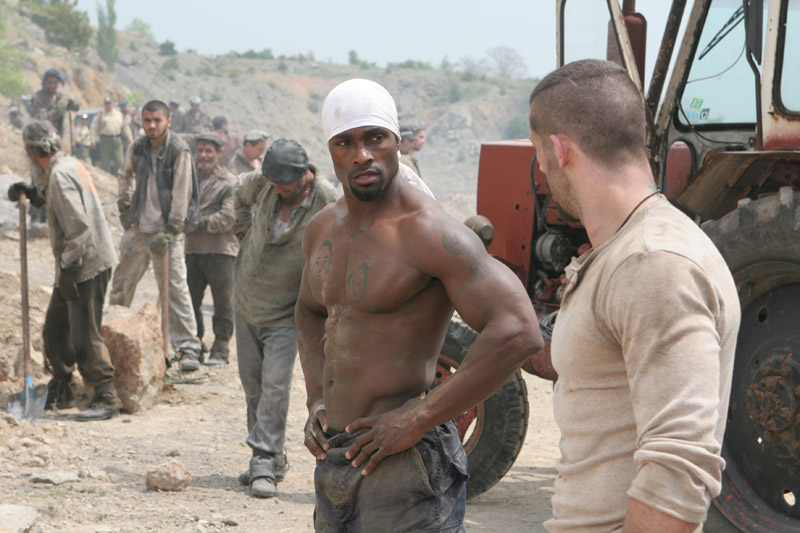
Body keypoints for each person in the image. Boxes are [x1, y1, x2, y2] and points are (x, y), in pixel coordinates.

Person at [297, 78, 542, 531]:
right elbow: (310, 310)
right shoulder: (323, 228)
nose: (362, 154)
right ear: (330, 149)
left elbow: (519, 329)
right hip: (336, 458)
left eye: (375, 138)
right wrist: (315, 398)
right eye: (345, 142)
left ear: (395, 143)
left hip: (407, 463)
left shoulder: (429, 232)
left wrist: (417, 418)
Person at [526, 60, 740, 532]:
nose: (541, 168)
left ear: (559, 150)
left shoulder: (653, 262)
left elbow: (678, 468)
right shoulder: (627, 253)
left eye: (538, 154)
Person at [233, 139, 338, 498]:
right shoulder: (263, 182)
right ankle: (269, 457)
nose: (279, 190)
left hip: (285, 312)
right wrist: (243, 231)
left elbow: (347, 233)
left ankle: (264, 459)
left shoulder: (326, 198)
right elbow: (237, 194)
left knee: (275, 384)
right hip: (246, 300)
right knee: (253, 385)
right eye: (275, 184)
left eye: (286, 185)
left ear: (304, 175)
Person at [9, 120, 122, 420]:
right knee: (55, 329)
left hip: (85, 263)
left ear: (32, 150)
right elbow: (62, 200)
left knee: (85, 332)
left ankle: (105, 394)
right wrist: (34, 193)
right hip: (73, 263)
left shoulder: (60, 175)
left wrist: (70, 267)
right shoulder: (67, 165)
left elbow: (79, 227)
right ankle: (62, 386)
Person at [109, 100, 202, 371]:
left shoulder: (178, 151)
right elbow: (123, 177)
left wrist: (172, 230)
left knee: (174, 290)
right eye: (147, 120)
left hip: (167, 233)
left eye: (156, 120)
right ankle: (113, 334)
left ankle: (187, 348)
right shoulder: (137, 147)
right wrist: (124, 207)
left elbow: (182, 193)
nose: (151, 125)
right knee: (122, 284)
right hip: (139, 228)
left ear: (168, 122)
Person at [184, 134, 239, 366]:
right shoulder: (189, 179)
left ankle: (221, 347)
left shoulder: (229, 182)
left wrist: (200, 222)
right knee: (190, 301)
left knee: (223, 303)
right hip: (192, 249)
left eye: (209, 151)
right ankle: (194, 345)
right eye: (200, 150)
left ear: (219, 154)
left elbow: (229, 216)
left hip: (221, 251)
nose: (204, 155)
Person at [29, 68, 79, 136]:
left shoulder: (60, 97)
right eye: (49, 82)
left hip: (57, 136)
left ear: (58, 82)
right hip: (41, 137)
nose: (52, 85)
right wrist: (57, 111)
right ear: (45, 82)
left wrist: (71, 102)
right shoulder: (37, 97)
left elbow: (76, 106)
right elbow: (38, 118)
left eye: (55, 82)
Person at [90, 96, 132, 175]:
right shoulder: (101, 115)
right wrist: (93, 140)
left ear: (112, 104)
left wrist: (129, 137)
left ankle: (118, 177)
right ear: (104, 104)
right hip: (105, 140)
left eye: (109, 103)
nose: (108, 105)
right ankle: (107, 179)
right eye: (106, 103)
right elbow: (94, 128)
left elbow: (125, 126)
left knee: (120, 161)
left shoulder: (118, 114)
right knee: (105, 162)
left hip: (117, 139)